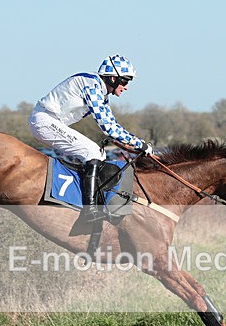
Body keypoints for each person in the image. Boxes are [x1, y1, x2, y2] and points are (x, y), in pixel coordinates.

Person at [29, 54, 153, 222]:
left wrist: (136, 145)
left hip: (50, 121)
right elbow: (108, 128)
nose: (126, 87)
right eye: (125, 81)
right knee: (92, 151)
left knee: (100, 154)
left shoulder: (101, 92)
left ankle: (88, 201)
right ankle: (89, 210)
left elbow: (111, 124)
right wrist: (140, 144)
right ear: (112, 78)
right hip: (44, 121)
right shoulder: (93, 85)